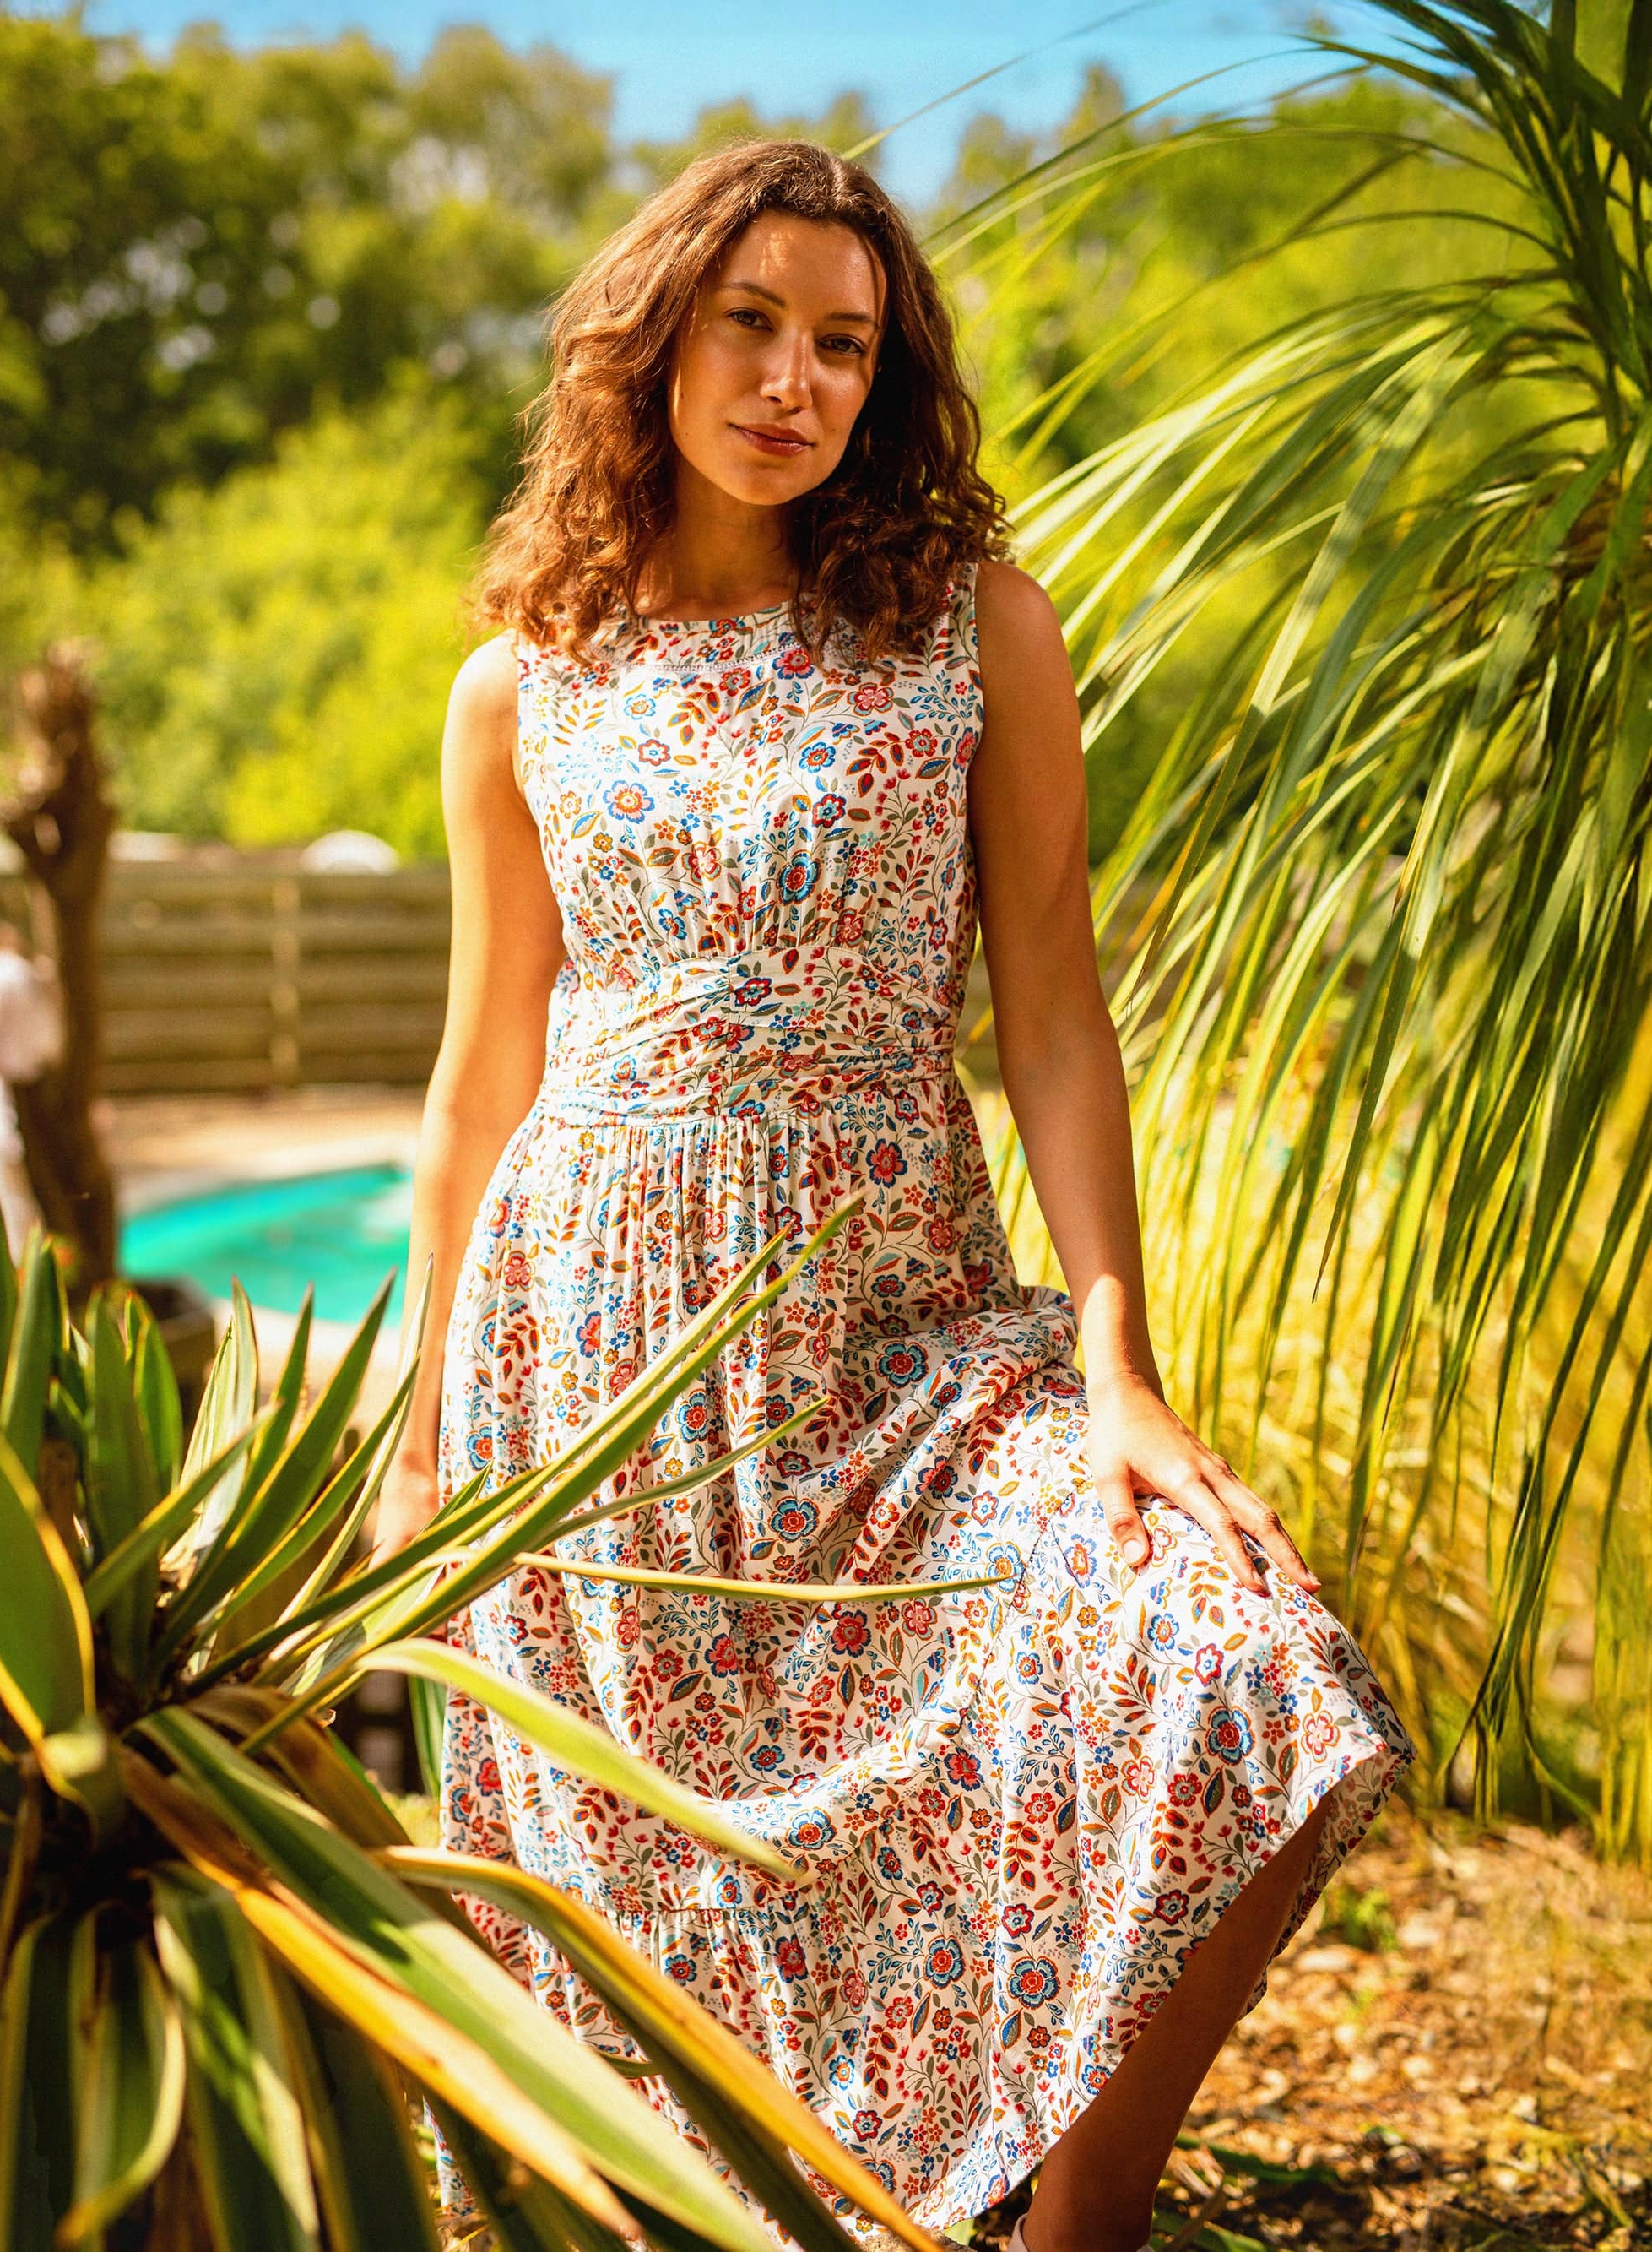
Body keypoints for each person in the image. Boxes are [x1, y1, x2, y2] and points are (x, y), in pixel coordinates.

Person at [370, 140, 1415, 2252]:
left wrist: (1115, 1373)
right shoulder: (520, 685)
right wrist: (419, 1441)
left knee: (1248, 1664)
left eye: (840, 344)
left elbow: (1053, 1027)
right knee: (659, 1912)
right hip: (589, 1380)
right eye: (749, 325)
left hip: (899, 1335)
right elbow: (479, 1079)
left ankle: (1070, 2226)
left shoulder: (968, 633)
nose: (791, 381)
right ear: (654, 339)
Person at [0, 912, 64, 1259]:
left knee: (4, 1175)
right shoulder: (23, 969)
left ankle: (19, 1255)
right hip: (33, 1084)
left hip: (6, 1089)